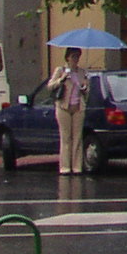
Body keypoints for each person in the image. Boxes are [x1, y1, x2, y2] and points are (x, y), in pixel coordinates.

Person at [52, 47, 89, 175]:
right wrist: (61, 79)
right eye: (73, 56)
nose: (76, 59)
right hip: (63, 107)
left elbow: (86, 91)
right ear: (67, 57)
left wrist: (84, 87)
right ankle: (65, 167)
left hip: (78, 107)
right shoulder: (60, 70)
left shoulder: (81, 72)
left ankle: (77, 167)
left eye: (78, 56)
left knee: (77, 137)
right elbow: (50, 86)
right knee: (66, 137)